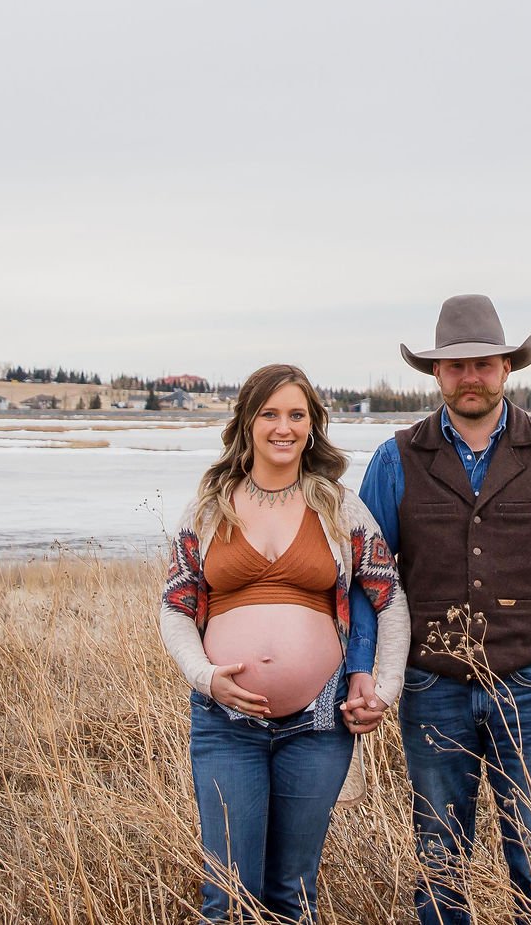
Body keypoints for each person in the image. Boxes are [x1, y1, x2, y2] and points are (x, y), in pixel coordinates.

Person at [346, 295, 531, 925]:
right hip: (432, 686)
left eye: (483, 364)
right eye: (456, 367)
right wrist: (362, 668)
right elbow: (364, 579)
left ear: (507, 368)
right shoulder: (396, 457)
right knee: (439, 866)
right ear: (435, 373)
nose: (470, 377)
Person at [159, 363, 409, 922]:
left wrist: (385, 688)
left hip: (318, 726)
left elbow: (389, 599)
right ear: (247, 421)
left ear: (313, 426)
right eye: (270, 413)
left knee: (291, 897)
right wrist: (205, 676)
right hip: (227, 726)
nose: (283, 427)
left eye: (297, 415)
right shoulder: (208, 507)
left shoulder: (338, 507)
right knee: (227, 896)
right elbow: (174, 607)